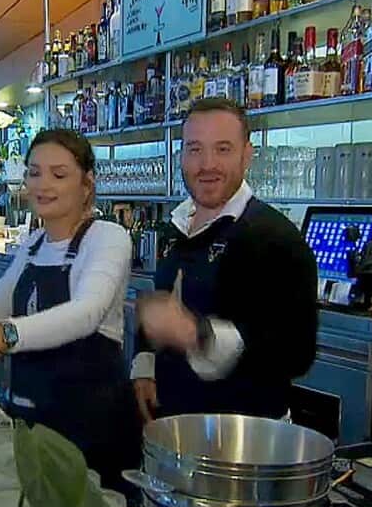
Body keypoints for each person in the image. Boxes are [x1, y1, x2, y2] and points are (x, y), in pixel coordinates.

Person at [0, 129, 140, 491]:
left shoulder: (106, 237)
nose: (42, 184)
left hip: (93, 428)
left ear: (86, 183)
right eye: (34, 172)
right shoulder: (33, 244)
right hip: (33, 420)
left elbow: (86, 313)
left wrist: (4, 334)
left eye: (59, 174)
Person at [132, 97, 318, 421]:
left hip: (246, 442)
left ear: (247, 155)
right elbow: (165, 304)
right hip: (175, 427)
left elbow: (296, 353)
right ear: (181, 156)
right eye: (195, 149)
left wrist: (198, 335)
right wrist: (145, 365)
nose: (207, 165)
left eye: (222, 149)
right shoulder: (175, 227)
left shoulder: (276, 237)